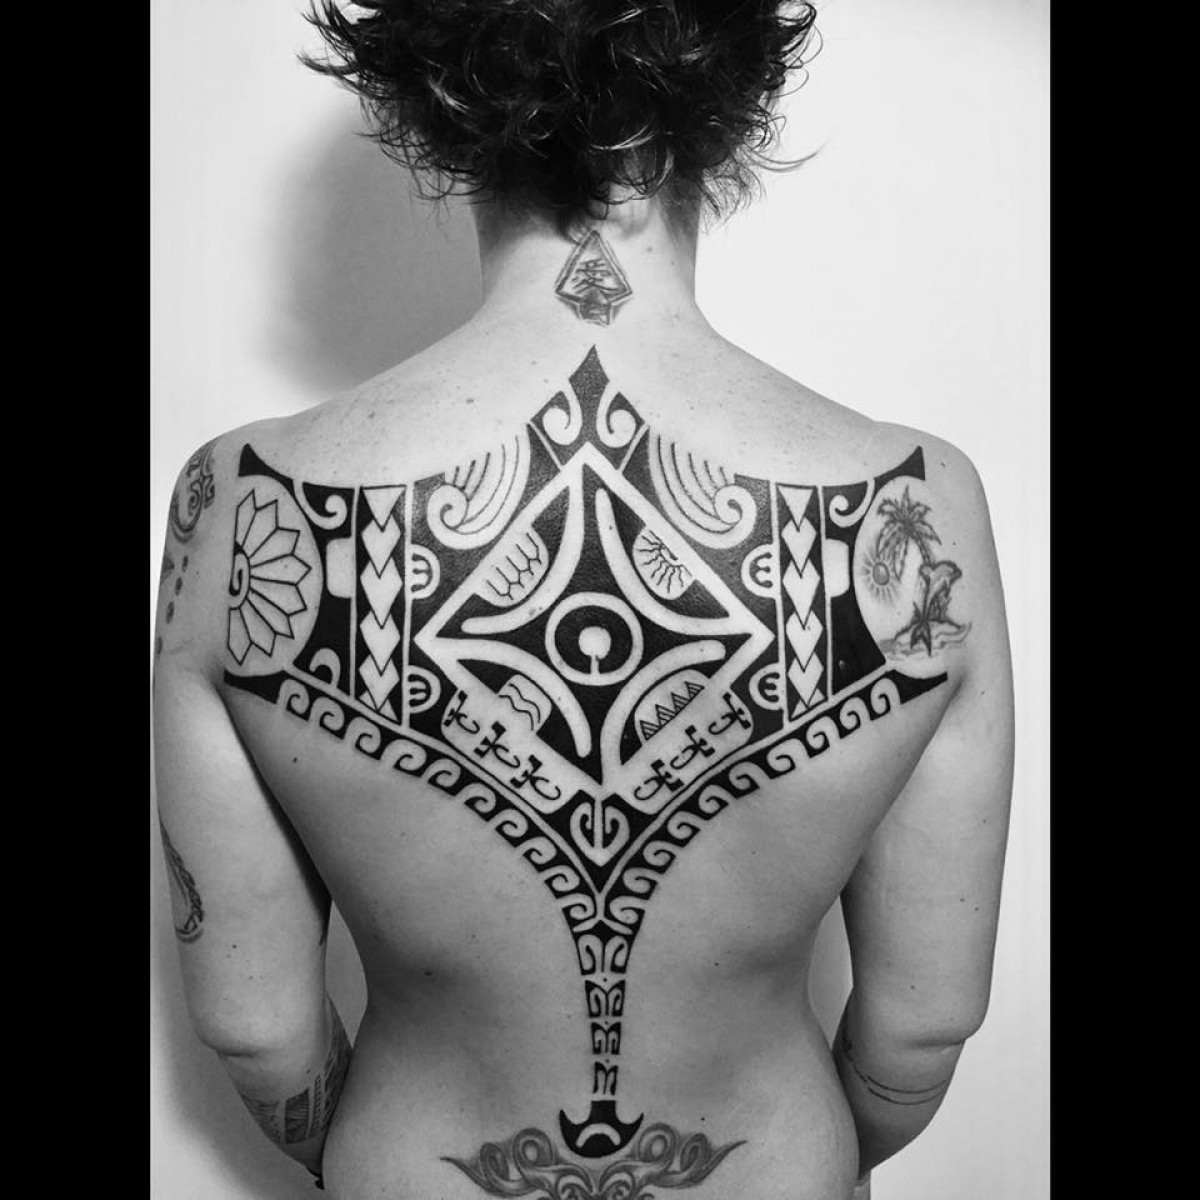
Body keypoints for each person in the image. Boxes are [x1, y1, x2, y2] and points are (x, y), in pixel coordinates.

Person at [152, 3, 1014, 1197]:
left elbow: (256, 1028)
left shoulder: (243, 505)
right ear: (730, 110)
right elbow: (922, 1025)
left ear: (439, 111)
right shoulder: (917, 507)